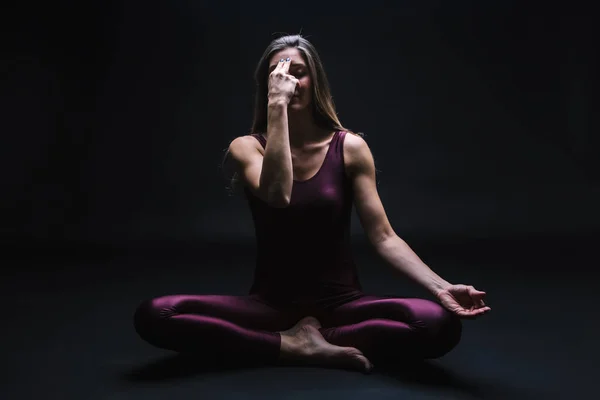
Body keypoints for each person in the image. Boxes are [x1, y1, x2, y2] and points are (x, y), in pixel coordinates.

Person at [133, 34, 491, 374]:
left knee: (436, 324)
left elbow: (384, 236)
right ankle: (289, 346)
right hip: (269, 308)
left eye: (298, 71)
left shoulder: (349, 147)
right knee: (157, 314)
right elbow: (278, 194)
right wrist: (277, 105)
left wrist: (441, 287)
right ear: (269, 86)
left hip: (341, 307)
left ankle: (303, 342)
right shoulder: (247, 147)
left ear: (315, 80)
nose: (289, 80)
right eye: (280, 72)